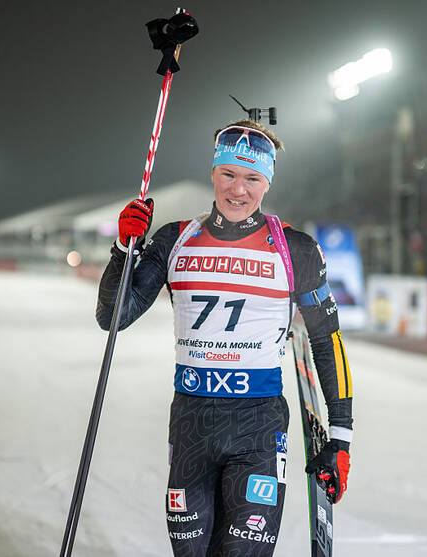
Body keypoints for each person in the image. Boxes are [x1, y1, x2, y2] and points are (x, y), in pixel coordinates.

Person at [96, 119, 353, 556]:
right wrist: (124, 250)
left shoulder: (297, 249)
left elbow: (327, 340)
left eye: (252, 178)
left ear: (267, 182)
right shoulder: (175, 239)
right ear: (213, 173)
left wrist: (340, 436)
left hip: (259, 429)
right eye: (229, 174)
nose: (239, 190)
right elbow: (113, 317)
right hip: (192, 424)